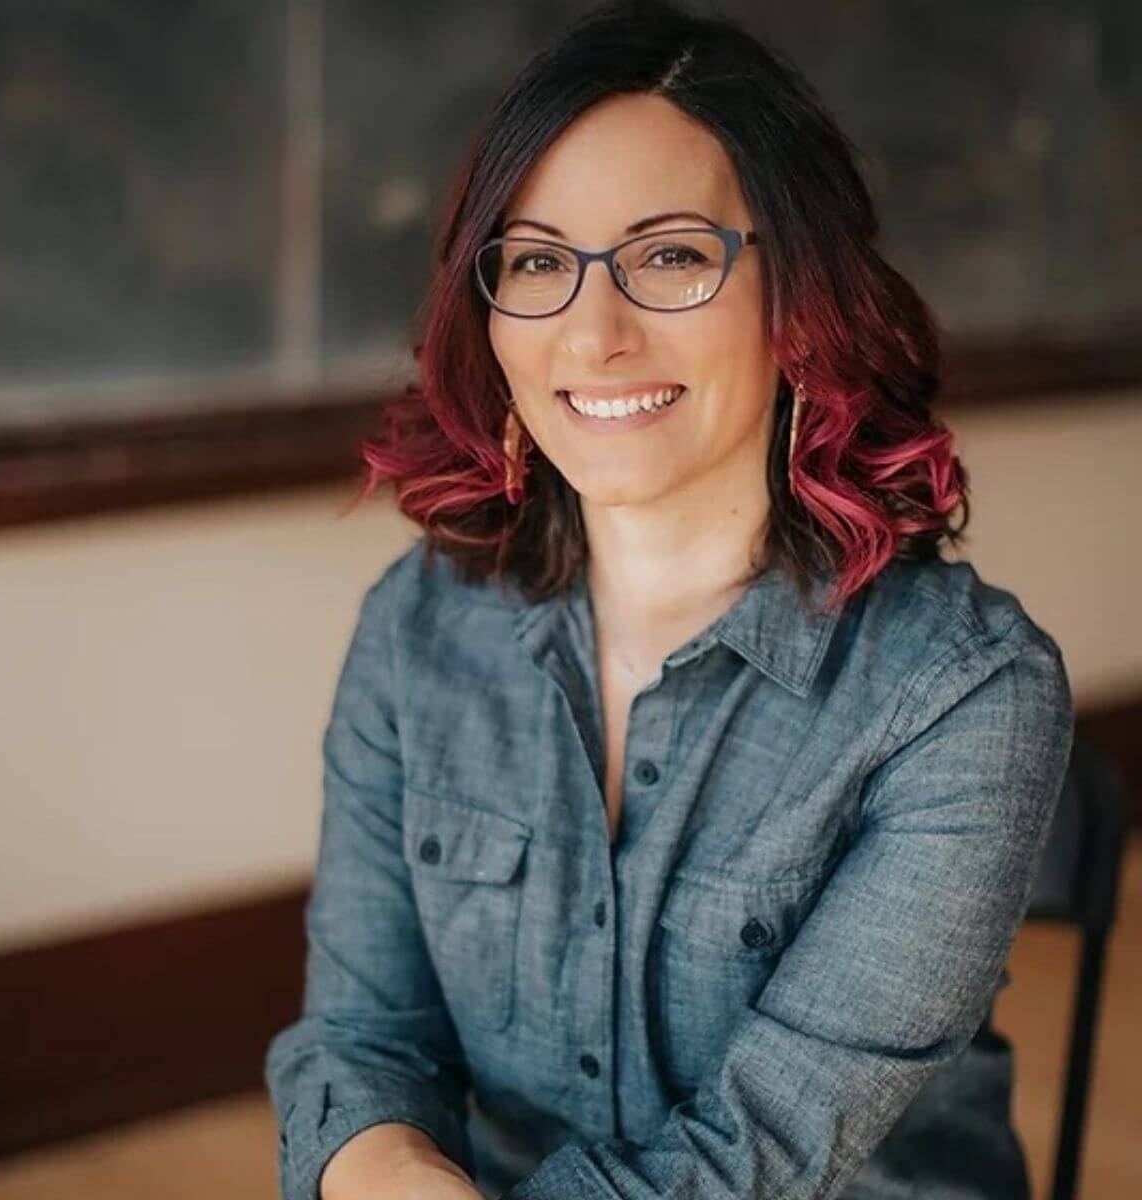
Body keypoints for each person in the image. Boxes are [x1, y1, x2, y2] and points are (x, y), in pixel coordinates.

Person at [264, 2, 1075, 1197]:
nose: (593, 335)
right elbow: (362, 1038)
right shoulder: (417, 629)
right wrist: (384, 1170)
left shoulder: (961, 693)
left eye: (671, 256)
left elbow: (759, 1157)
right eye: (537, 261)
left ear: (800, 303)